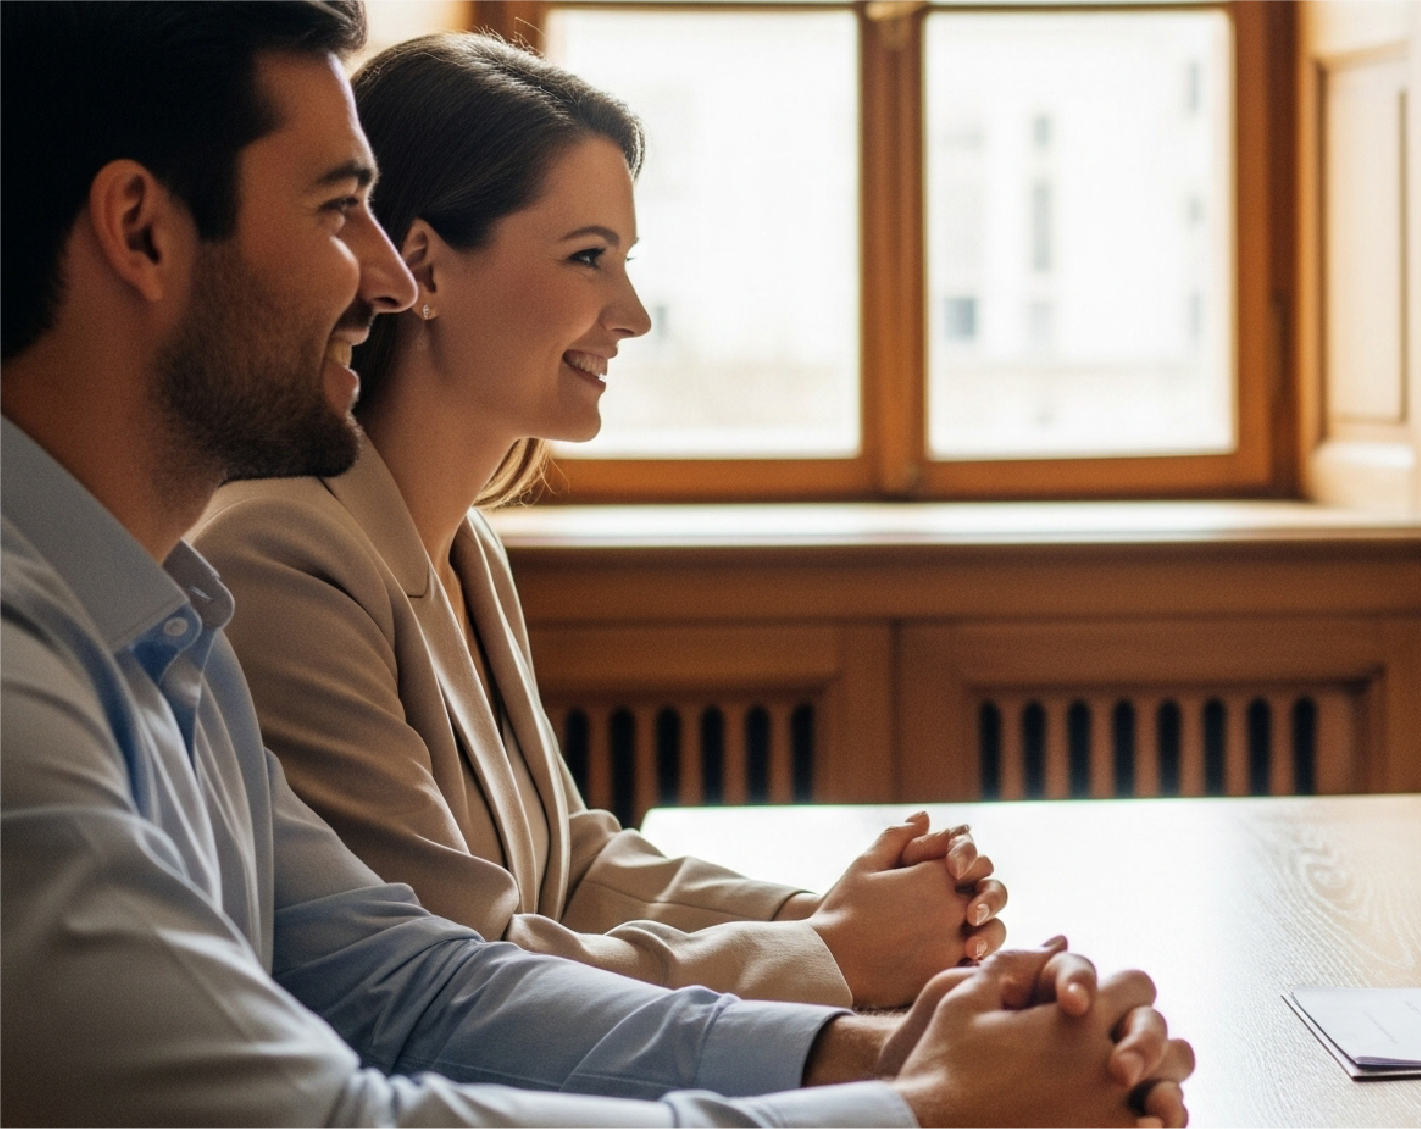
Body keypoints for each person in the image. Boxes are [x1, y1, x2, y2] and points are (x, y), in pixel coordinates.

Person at [0, 0, 1191, 1124]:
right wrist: (914, 1098)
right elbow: (333, 1110)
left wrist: (883, 1049)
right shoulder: (38, 669)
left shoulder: (165, 628)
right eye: (333, 212)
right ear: (142, 230)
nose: (382, 278)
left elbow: (415, 988)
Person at [192, 31, 1003, 1014]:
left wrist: (821, 914)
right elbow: (461, 973)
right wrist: (833, 957)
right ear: (423, 269)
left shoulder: (462, 545)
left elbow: (569, 864)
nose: (631, 312)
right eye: (589, 258)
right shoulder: (279, 552)